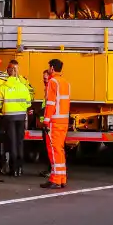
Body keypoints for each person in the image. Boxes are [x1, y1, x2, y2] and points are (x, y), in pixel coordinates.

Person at [0, 60, 33, 177]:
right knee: (17, 142)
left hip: (6, 116)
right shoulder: (23, 84)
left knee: (9, 142)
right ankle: (16, 167)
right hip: (20, 116)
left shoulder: (2, 83)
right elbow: (29, 100)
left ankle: (11, 167)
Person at [40, 58, 70, 189]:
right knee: (60, 150)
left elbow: (50, 103)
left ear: (52, 68)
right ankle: (62, 177)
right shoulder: (65, 83)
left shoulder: (53, 82)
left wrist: (46, 121)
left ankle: (56, 179)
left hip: (54, 122)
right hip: (63, 121)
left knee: (54, 150)